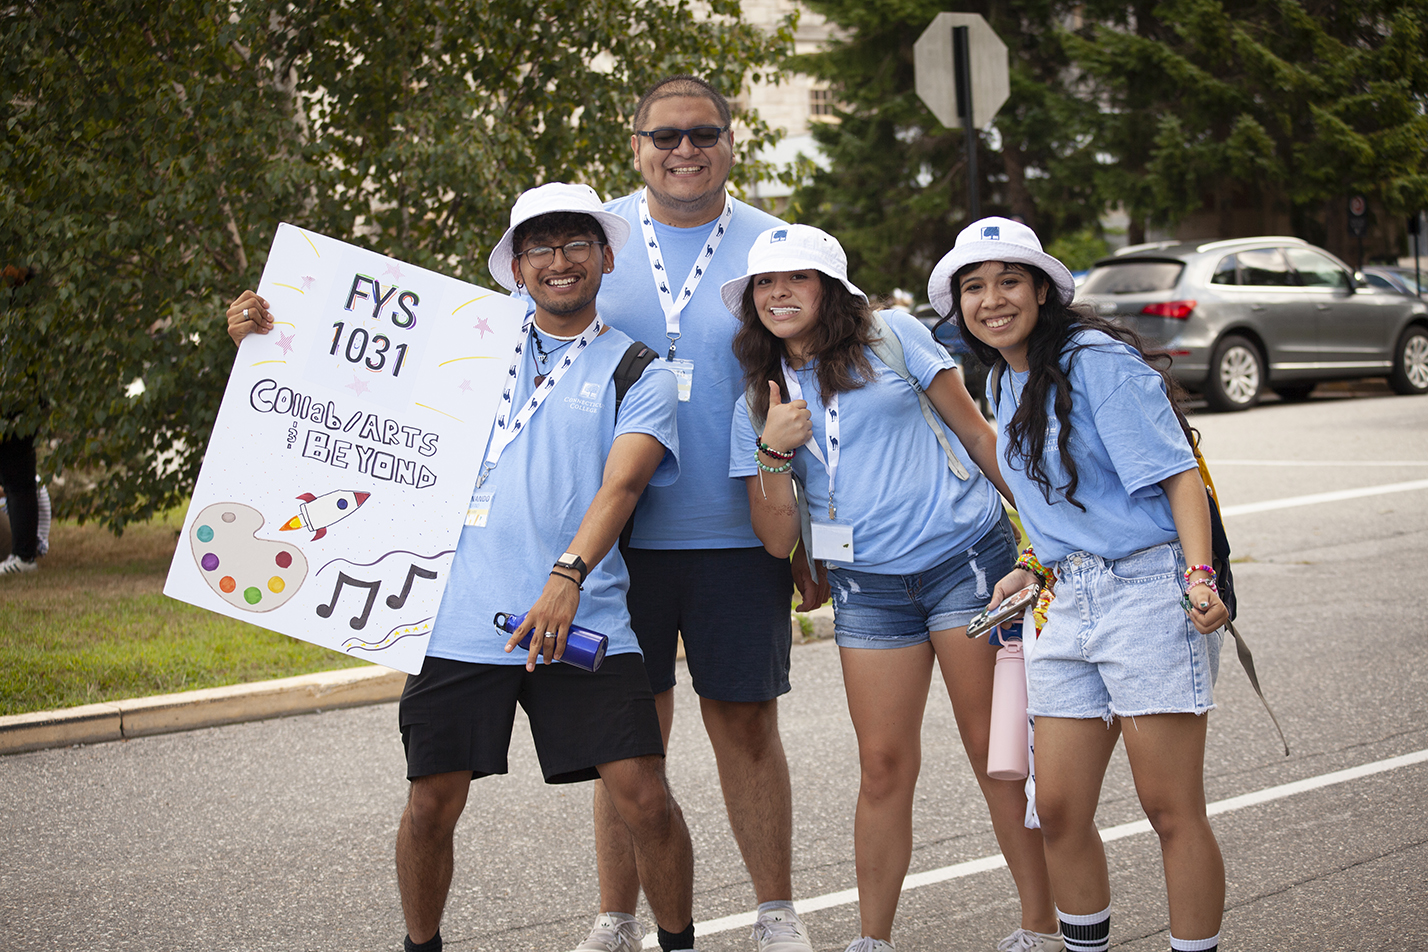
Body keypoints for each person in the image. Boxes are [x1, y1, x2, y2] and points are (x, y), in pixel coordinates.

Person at [231, 183, 699, 952]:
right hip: (453, 616)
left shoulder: (637, 368)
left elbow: (624, 484)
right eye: (540, 247)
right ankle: (423, 946)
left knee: (644, 797)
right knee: (429, 806)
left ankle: (680, 944)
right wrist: (260, 337)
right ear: (516, 266)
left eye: (576, 243)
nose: (559, 261)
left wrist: (568, 575)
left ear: (605, 257)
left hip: (583, 615)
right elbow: (329, 381)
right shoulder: (460, 346)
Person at [723, 224, 1062, 952]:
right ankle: (872, 939)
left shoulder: (895, 336)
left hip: (965, 563)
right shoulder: (759, 392)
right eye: (765, 283)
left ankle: (1041, 926)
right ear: (752, 300)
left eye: (798, 278)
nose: (780, 293)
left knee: (993, 750)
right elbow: (777, 538)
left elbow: (976, 435)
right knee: (881, 764)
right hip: (867, 589)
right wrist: (773, 448)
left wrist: (1052, 537)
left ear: (831, 289)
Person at [929, 218, 1229, 952]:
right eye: (974, 287)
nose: (991, 300)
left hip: (1148, 592)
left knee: (1169, 808)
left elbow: (1177, 478)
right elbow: (1048, 501)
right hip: (1064, 603)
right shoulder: (1002, 377)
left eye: (1007, 281)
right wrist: (1032, 561)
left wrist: (1199, 577)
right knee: (1056, 809)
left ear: (1040, 290)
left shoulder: (1096, 361)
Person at [579, 75, 821, 952]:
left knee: (748, 729)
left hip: (738, 538)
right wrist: (275, 328)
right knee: (624, 743)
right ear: (635, 143)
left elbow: (827, 384)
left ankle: (776, 915)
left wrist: (815, 541)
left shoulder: (775, 246)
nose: (685, 149)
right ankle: (616, 918)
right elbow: (496, 354)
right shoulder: (587, 242)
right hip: (616, 541)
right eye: (666, 135)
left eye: (704, 133)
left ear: (731, 142)